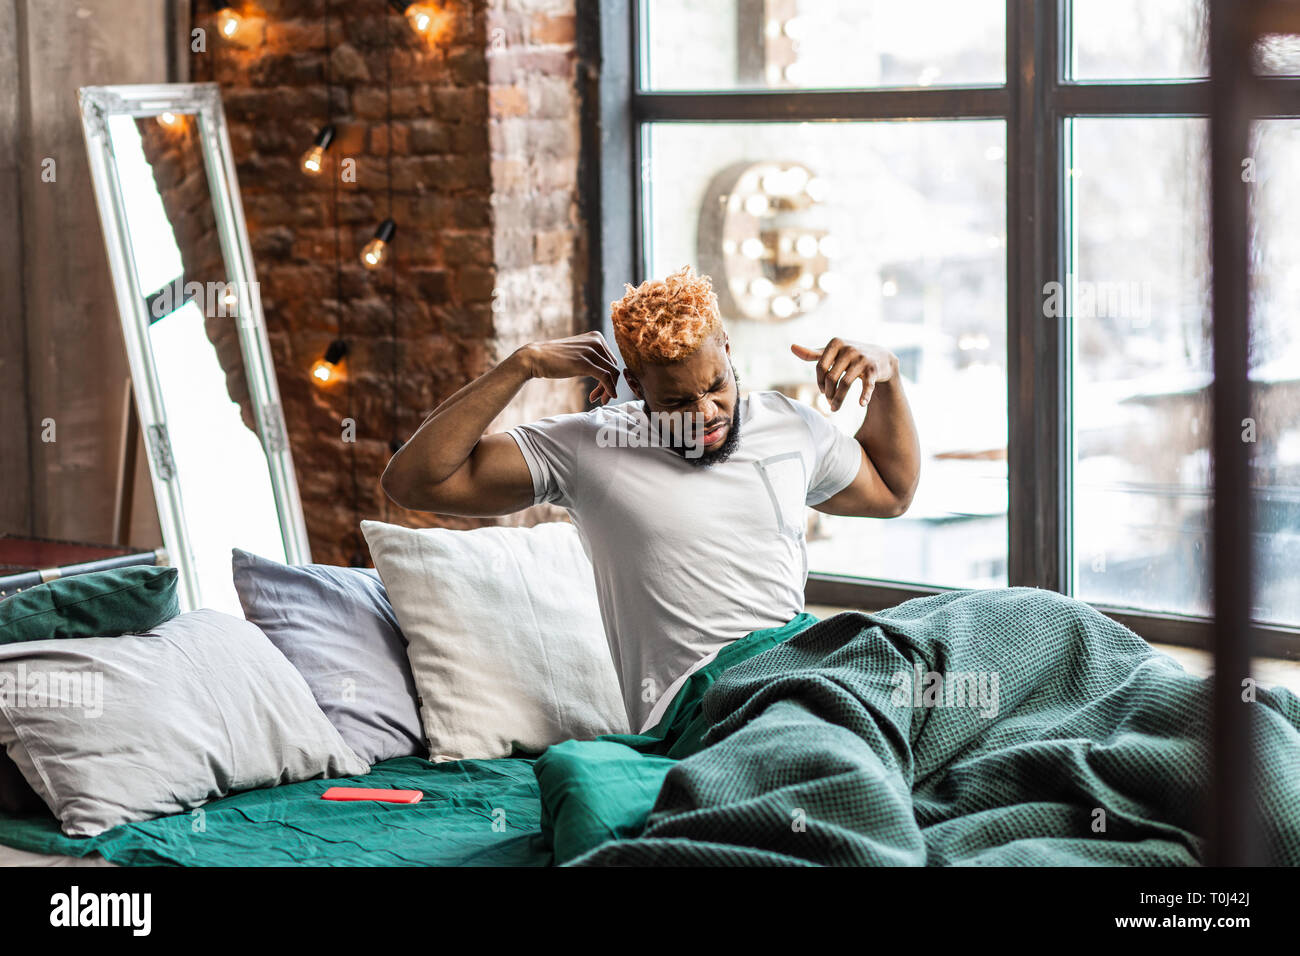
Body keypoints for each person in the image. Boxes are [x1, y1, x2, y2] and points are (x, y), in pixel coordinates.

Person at [382, 266, 921, 730]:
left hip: (806, 670)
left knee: (961, 634)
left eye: (716, 386)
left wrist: (890, 374)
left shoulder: (789, 425)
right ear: (637, 388)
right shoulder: (591, 446)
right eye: (678, 401)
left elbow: (894, 494)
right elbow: (414, 482)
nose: (706, 413)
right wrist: (521, 365)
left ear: (728, 351)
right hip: (701, 709)